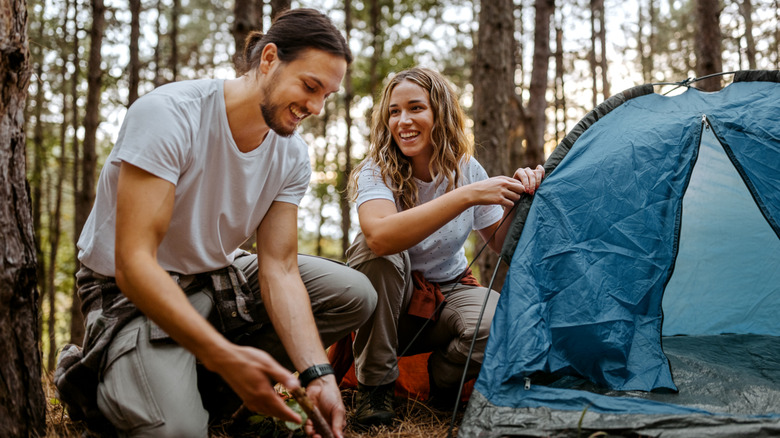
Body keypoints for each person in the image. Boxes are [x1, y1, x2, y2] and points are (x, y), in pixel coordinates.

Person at [54, 8, 376, 438]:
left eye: (327, 95)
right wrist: (227, 356)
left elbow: (278, 269)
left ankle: (202, 381)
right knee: (179, 431)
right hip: (131, 291)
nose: (316, 107)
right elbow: (133, 265)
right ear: (269, 59)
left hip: (217, 278)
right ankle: (110, 380)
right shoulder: (168, 114)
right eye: (310, 86)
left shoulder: (291, 154)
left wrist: (319, 375)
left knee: (354, 294)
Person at [344, 67, 544, 427]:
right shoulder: (375, 171)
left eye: (415, 108)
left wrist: (523, 199)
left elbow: (500, 243)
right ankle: (375, 391)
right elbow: (380, 236)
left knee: (504, 325)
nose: (403, 121)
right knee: (377, 253)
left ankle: (441, 378)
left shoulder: (467, 169)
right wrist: (465, 197)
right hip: (389, 304)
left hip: (450, 290)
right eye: (394, 111)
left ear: (441, 112)